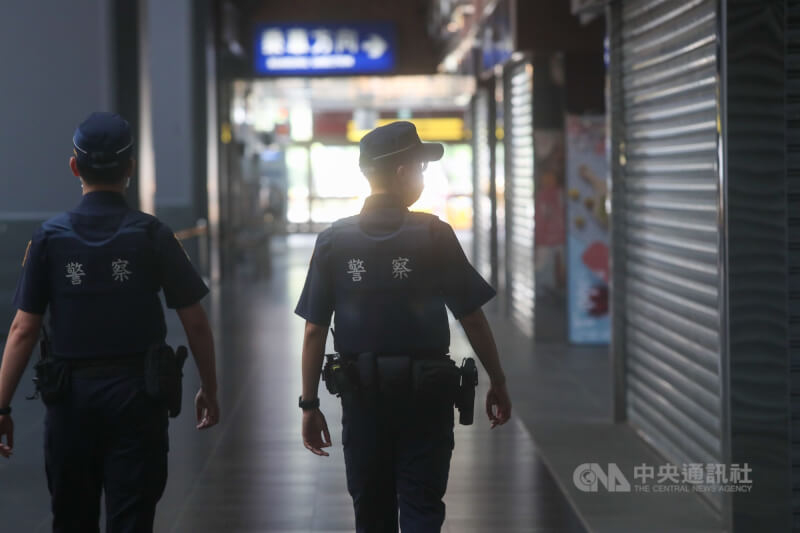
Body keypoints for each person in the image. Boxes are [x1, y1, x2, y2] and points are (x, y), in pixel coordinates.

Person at [0, 112, 220, 532]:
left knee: (72, 517)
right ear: (131, 169)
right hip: (139, 397)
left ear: (74, 166)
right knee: (133, 517)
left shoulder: (48, 238)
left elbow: (23, 329)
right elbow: (195, 323)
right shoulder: (154, 235)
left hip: (69, 400)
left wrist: (2, 404)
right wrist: (208, 388)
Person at [295, 121, 512, 532]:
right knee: (422, 506)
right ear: (400, 173)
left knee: (371, 510)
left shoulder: (333, 241)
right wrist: (497, 379)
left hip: (362, 397)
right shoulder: (434, 234)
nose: (422, 176)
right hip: (426, 397)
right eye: (419, 167)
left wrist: (309, 405)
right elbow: (472, 317)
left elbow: (313, 331)